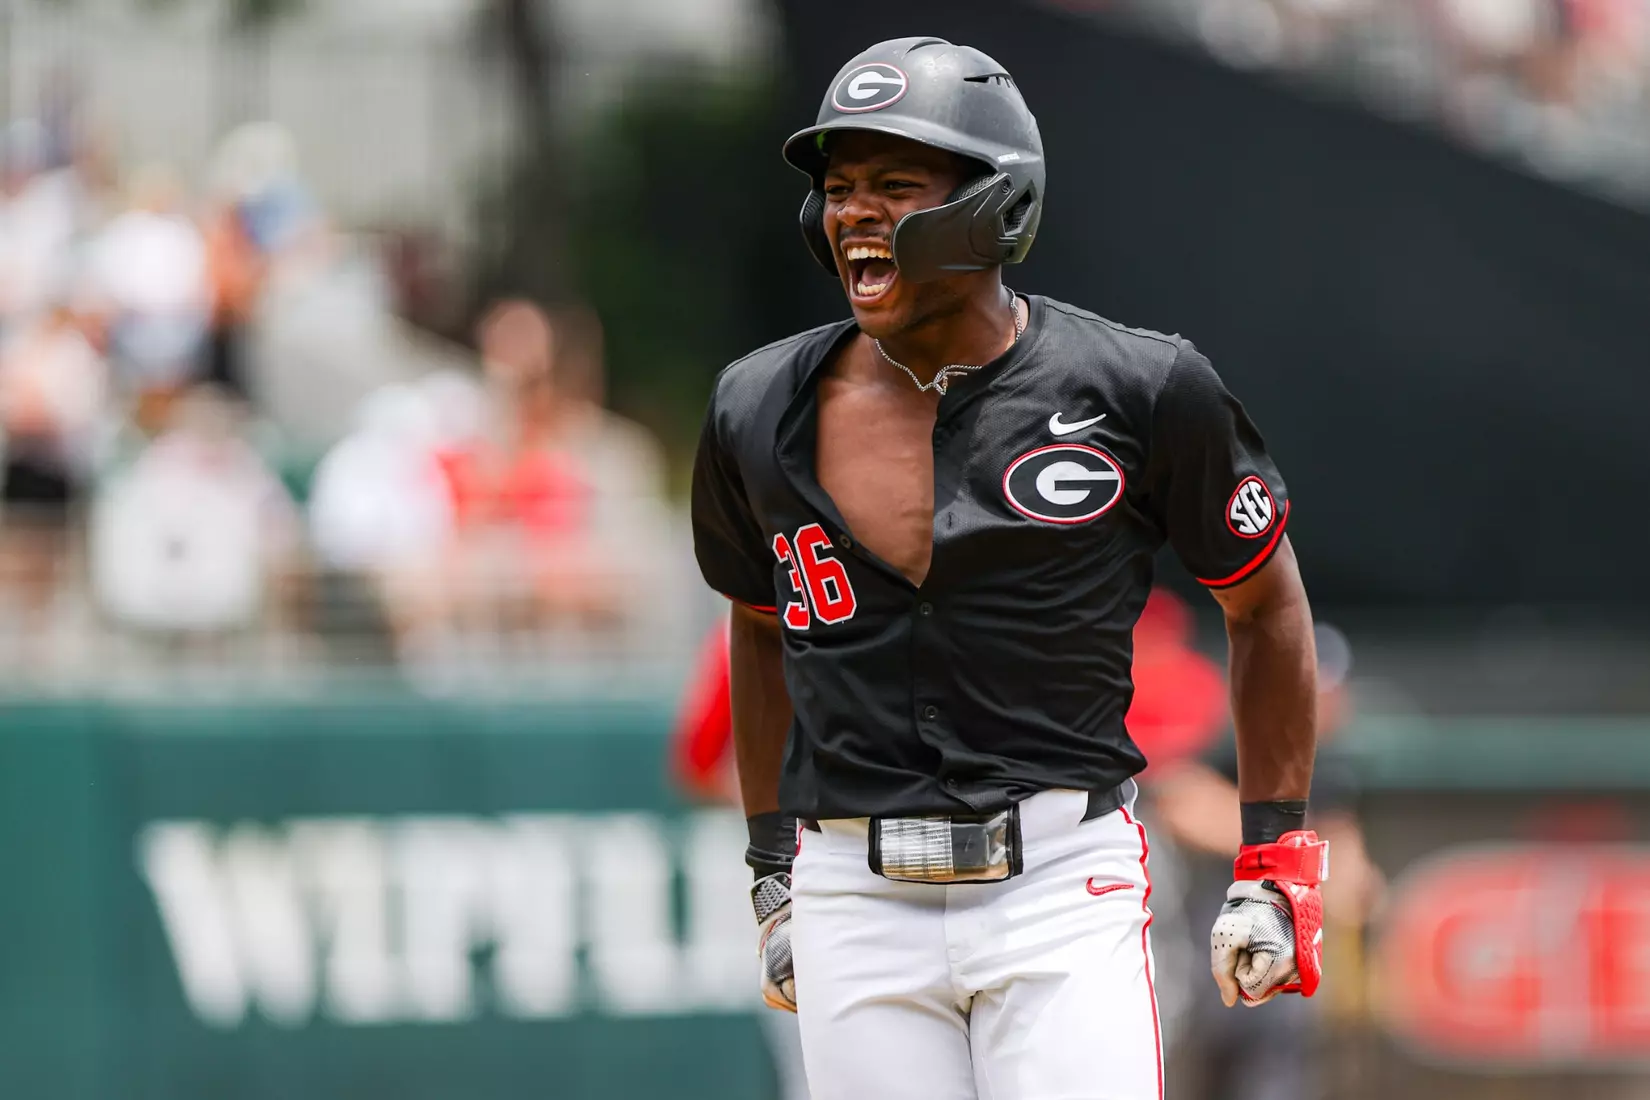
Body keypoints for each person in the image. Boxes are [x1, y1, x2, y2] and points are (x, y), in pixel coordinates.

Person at [689, 37, 1326, 1100]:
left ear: (995, 203)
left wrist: (1275, 854)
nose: (855, 212)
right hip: (854, 889)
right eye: (840, 188)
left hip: (1061, 880)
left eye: (897, 184)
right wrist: (770, 871)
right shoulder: (753, 408)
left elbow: (1266, 602)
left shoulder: (1143, 386)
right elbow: (758, 624)